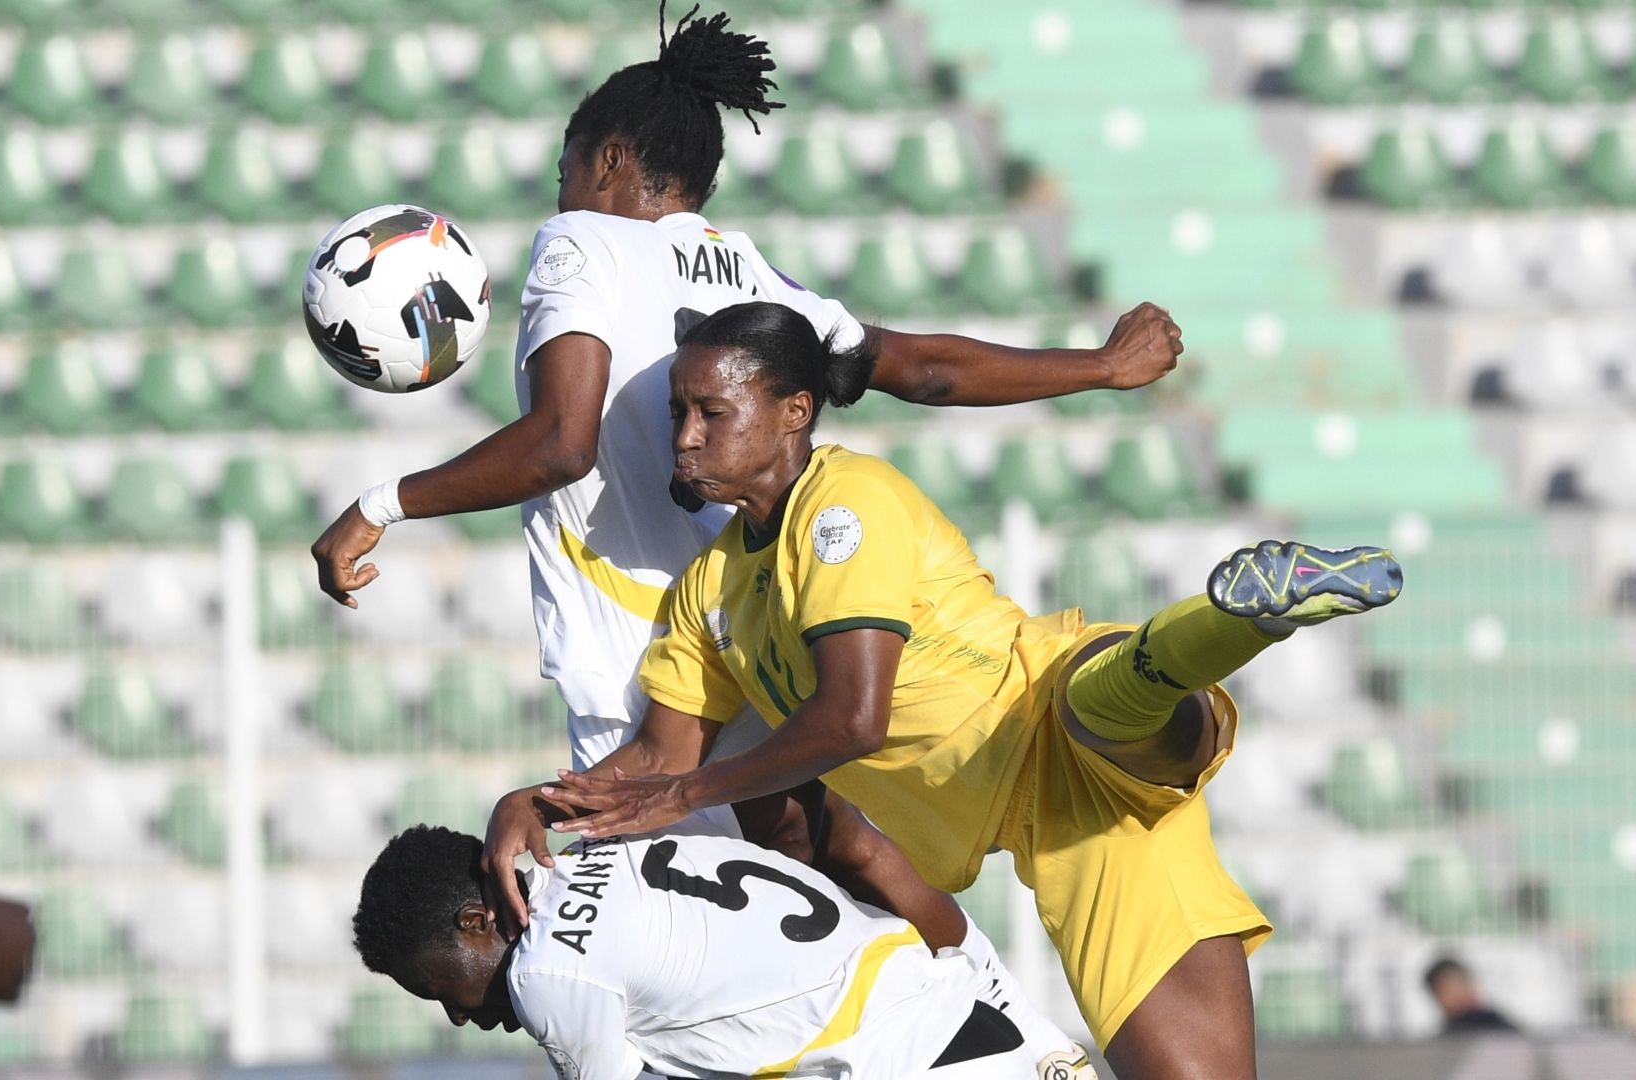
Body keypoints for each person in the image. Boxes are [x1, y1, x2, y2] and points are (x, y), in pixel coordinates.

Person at [310, 6, 1172, 1064]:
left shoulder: (580, 244)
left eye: (568, 169)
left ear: (610, 160)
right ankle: (1016, 1039)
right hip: (754, 647)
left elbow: (560, 445)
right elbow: (919, 368)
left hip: (644, 669)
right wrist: (1095, 366)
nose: (562, 194)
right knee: (827, 892)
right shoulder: (750, 273)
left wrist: (380, 502)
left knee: (710, 996)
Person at [530, 302, 1404, 1079]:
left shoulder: (843, 504)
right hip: (1066, 833)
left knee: (1097, 709)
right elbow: (653, 758)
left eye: (709, 412)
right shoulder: (708, 593)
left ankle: (1242, 617)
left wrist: (683, 792)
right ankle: (1227, 626)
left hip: (1043, 707)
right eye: (678, 412)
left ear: (793, 412)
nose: (682, 436)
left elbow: (852, 718)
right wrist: (535, 808)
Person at [353, 824, 1091, 1078]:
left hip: (905, 1060)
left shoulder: (549, 971)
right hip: (968, 1008)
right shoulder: (608, 850)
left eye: (441, 988)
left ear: (479, 921)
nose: (456, 1015)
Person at [1423, 956, 1519, 1036]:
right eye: (1444, 992)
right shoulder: (1447, 1034)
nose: (1456, 996)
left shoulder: (1496, 1026)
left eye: (1454, 988)